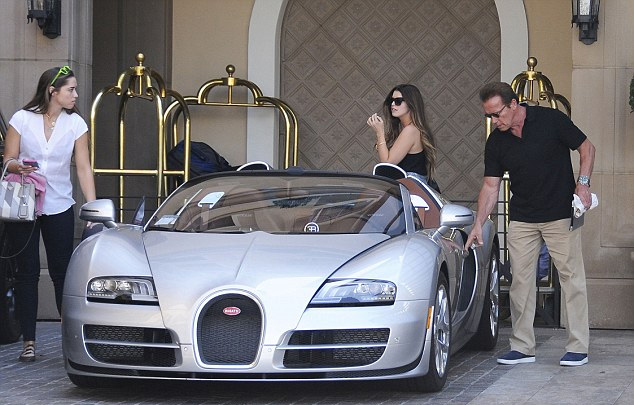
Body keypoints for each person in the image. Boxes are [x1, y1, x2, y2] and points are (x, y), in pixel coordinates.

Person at [465, 82, 595, 367]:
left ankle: (578, 347)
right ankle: (523, 346)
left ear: (514, 104)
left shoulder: (551, 120)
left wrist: (583, 184)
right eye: (489, 116)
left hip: (560, 213)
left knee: (571, 279)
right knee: (520, 282)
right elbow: (490, 186)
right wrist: (478, 223)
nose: (494, 121)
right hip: (523, 218)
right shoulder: (496, 142)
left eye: (497, 113)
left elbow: (586, 148)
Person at [2, 66, 96, 362]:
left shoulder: (75, 124)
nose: (76, 95)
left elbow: (83, 167)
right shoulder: (21, 118)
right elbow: (8, 159)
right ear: (52, 91)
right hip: (24, 203)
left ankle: (69, 340)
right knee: (26, 272)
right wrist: (18, 166)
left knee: (61, 272)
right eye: (71, 89)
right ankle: (29, 341)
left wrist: (92, 207)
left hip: (59, 204)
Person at [367, 84, 439, 191]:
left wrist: (380, 133)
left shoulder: (411, 130)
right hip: (409, 188)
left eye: (398, 101)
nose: (392, 104)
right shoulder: (410, 129)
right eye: (391, 101)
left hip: (410, 190)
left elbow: (387, 164)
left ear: (411, 104)